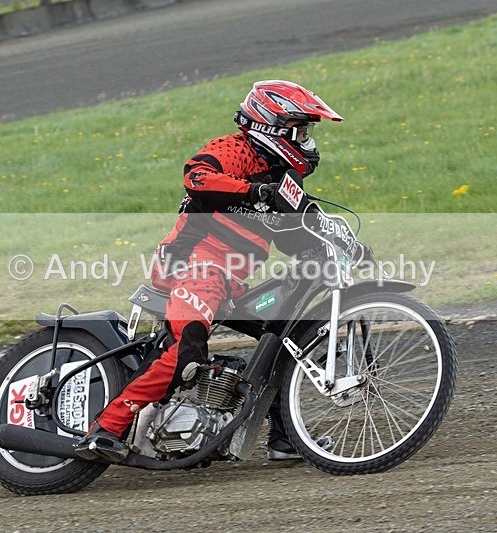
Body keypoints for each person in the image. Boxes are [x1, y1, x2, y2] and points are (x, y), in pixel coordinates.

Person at [76, 80, 343, 463]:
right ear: (270, 126)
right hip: (192, 263)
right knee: (187, 351)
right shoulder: (234, 148)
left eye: (308, 133)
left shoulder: (285, 181)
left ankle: (284, 438)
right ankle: (104, 430)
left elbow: (296, 238)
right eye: (300, 131)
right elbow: (196, 177)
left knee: (285, 337)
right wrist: (253, 192)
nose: (306, 141)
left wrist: (337, 246)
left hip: (229, 280)